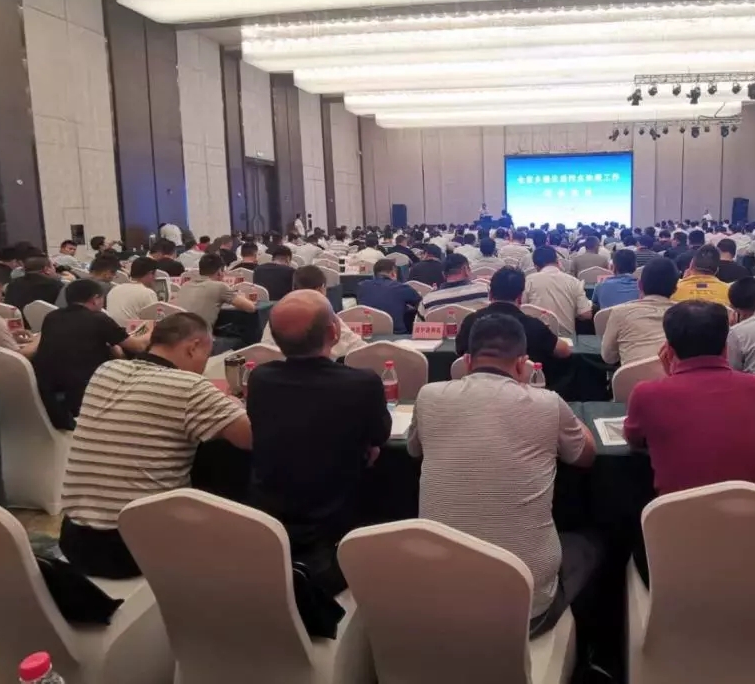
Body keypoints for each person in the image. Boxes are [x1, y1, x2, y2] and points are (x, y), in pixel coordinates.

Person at [408, 314, 598, 637]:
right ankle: (594, 648)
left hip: (440, 599)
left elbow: (414, 450)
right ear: (523, 364)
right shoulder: (547, 403)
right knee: (590, 543)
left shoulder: (429, 396)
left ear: (468, 362)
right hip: (527, 609)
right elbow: (585, 456)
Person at [59, 312, 252, 578]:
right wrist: (235, 406)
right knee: (226, 456)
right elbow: (251, 438)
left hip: (74, 539)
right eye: (206, 356)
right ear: (193, 347)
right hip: (133, 547)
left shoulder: (106, 370)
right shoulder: (189, 386)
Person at [249, 290, 390, 596]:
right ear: (334, 332)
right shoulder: (362, 383)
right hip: (337, 518)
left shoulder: (259, 379)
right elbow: (379, 436)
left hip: (271, 517)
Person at [624, 302, 755, 495]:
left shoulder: (647, 394)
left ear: (668, 352)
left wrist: (673, 377)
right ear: (726, 349)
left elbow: (636, 442)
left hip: (679, 514)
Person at [33, 279, 150, 430]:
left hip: (50, 394)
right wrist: (151, 331)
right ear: (95, 299)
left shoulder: (51, 317)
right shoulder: (99, 319)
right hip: (87, 392)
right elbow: (138, 347)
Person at [455, 267, 572, 368]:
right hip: (523, 386)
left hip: (479, 385)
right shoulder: (534, 327)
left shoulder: (471, 321)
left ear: (490, 295)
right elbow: (564, 351)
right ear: (520, 298)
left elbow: (459, 350)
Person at [601, 258, 677, 365]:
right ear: (675, 289)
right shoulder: (686, 315)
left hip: (631, 375)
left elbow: (608, 357)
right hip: (673, 374)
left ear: (639, 285)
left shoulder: (619, 313)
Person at [523, 246, 593, 335]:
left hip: (535, 337)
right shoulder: (574, 281)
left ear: (536, 266)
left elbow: (521, 309)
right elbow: (586, 314)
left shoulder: (528, 281)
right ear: (557, 261)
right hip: (567, 338)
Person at [175, 254, 256, 328]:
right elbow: (251, 308)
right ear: (220, 272)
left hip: (179, 334)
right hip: (201, 337)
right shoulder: (220, 287)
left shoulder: (185, 285)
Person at [357, 258, 422, 334]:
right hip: (397, 335)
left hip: (367, 333)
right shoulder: (401, 287)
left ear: (374, 274)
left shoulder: (362, 286)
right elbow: (420, 304)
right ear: (393, 273)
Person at [416, 254, 490, 317]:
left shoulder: (427, 301)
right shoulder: (484, 291)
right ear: (466, 270)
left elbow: (418, 327)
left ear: (443, 274)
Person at [105, 256, 159, 324]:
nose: (156, 277)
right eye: (155, 274)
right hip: (133, 330)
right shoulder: (147, 293)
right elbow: (155, 321)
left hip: (110, 329)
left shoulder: (115, 289)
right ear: (150, 274)